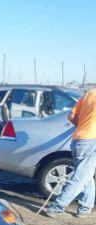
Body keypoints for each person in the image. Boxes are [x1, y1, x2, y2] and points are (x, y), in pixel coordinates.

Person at [45, 89, 96, 218]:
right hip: (92, 141)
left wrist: (82, 127)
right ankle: (56, 207)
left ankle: (84, 208)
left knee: (86, 175)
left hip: (78, 139)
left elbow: (71, 116)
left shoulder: (90, 93)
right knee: (81, 177)